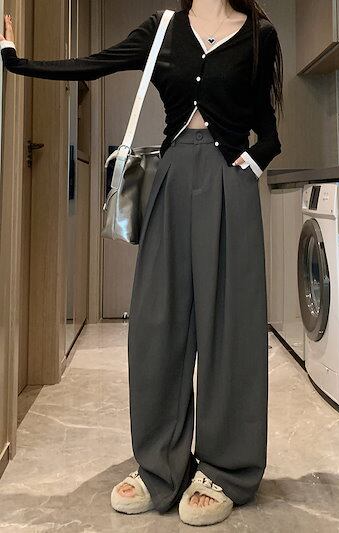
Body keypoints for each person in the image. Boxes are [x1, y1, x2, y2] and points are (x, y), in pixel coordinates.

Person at [0, 0, 283, 526]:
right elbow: (95, 62)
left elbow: (268, 131)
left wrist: (250, 164)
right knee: (157, 323)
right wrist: (15, 61)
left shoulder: (259, 36)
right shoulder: (163, 29)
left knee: (230, 327)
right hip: (171, 180)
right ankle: (159, 465)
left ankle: (225, 469)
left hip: (230, 184)